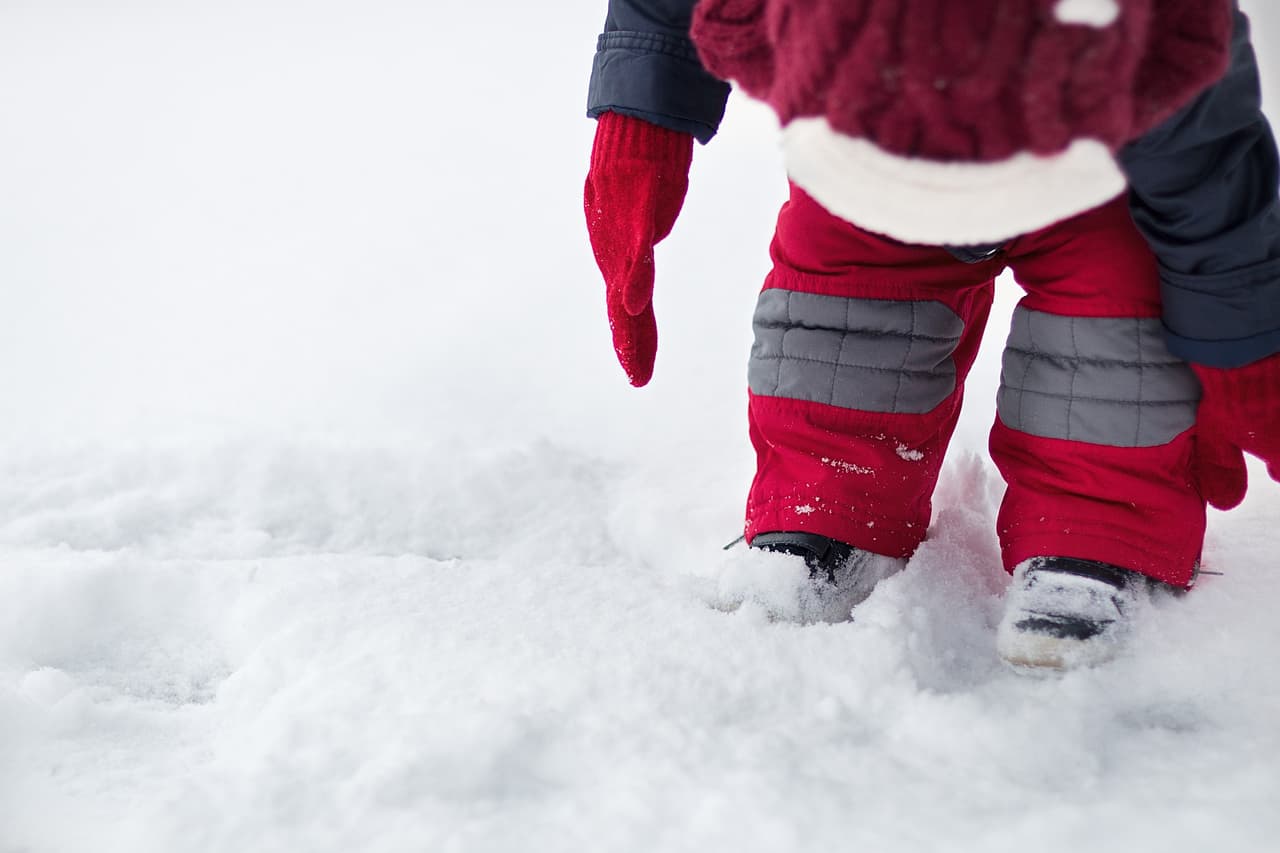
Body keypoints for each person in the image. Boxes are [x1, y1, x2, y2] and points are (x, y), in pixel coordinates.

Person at [583, 0, 1280, 670]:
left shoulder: (1162, 36)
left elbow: (1215, 178)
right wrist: (641, 115)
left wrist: (1243, 351)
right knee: (843, 298)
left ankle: (1098, 528)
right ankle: (827, 502)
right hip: (867, 148)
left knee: (1121, 313)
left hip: (1090, 171)